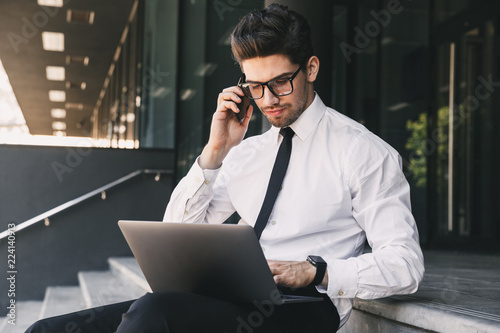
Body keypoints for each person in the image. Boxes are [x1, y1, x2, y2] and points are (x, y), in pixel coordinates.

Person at [26, 3, 424, 333]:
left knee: (155, 315)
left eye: (281, 82)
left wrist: (316, 271)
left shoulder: (364, 152)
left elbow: (405, 265)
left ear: (312, 68)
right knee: (46, 330)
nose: (267, 100)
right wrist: (215, 151)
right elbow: (177, 235)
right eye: (254, 86)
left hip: (303, 308)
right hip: (229, 298)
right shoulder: (246, 153)